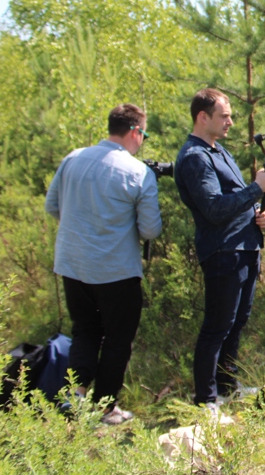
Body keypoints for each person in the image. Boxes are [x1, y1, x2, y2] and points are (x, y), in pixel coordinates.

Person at [45, 103, 162, 425]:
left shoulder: (73, 158)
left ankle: (75, 395)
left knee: (84, 331)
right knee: (117, 340)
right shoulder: (139, 172)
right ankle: (105, 408)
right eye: (145, 134)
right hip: (116, 272)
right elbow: (151, 229)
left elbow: (52, 205)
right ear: (136, 132)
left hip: (72, 265)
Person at [174, 88, 265, 407]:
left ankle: (227, 386)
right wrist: (256, 188)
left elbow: (237, 201)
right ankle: (206, 400)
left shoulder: (219, 152)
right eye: (224, 116)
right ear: (203, 117)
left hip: (244, 248)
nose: (230, 121)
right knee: (217, 326)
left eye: (230, 116)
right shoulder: (194, 157)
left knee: (237, 321)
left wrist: (261, 215)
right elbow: (215, 208)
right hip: (223, 253)